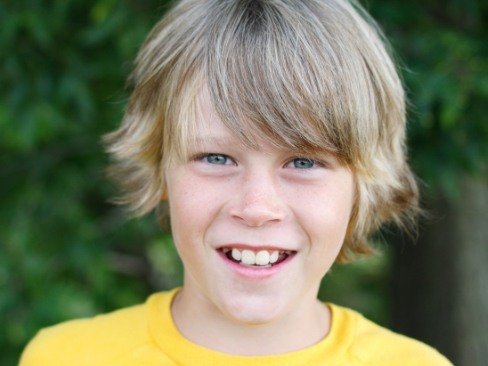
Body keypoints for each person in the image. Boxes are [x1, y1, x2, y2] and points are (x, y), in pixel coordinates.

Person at [20, 0, 452, 365]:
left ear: (362, 183)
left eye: (303, 162)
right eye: (215, 157)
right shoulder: (63, 356)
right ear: (159, 164)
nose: (257, 207)